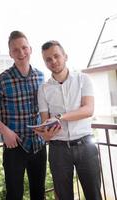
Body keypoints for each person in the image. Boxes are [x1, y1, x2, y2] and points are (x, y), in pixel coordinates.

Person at [0, 31, 47, 200]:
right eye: (16, 50)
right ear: (10, 53)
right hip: (14, 147)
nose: (21, 53)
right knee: (14, 194)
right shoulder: (1, 80)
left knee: (38, 193)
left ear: (31, 49)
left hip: (38, 144)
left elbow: (45, 107)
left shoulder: (41, 76)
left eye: (24, 48)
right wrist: (5, 131)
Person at [35, 40, 102, 200]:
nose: (53, 61)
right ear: (45, 63)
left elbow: (88, 109)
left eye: (56, 56)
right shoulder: (43, 89)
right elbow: (45, 122)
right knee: (64, 197)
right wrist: (45, 134)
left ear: (65, 56)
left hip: (86, 146)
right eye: (48, 59)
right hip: (58, 150)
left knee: (94, 195)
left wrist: (60, 117)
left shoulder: (83, 79)